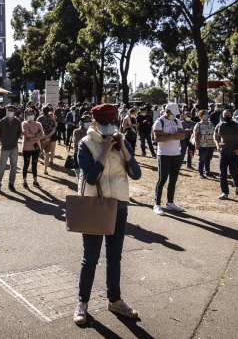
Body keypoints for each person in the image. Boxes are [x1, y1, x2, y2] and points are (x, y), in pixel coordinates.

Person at [73, 103, 141, 326]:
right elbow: (91, 178)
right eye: (103, 123)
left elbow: (137, 174)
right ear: (94, 123)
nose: (108, 126)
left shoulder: (123, 142)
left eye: (112, 122)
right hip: (95, 205)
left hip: (119, 205)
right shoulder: (85, 144)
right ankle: (82, 303)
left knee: (114, 257)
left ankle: (114, 299)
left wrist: (122, 148)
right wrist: (102, 154)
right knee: (90, 257)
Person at [152, 102, 186, 216]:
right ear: (167, 111)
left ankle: (170, 203)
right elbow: (158, 139)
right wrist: (173, 136)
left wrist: (166, 136)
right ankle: (157, 204)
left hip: (176, 154)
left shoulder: (177, 121)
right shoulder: (159, 122)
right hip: (164, 154)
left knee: (173, 180)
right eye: (173, 113)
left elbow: (182, 136)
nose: (175, 115)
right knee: (162, 180)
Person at [214, 109, 238, 200]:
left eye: (228, 115)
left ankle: (237, 185)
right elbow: (215, 136)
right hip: (223, 153)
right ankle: (224, 192)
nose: (226, 117)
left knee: (233, 171)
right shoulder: (220, 125)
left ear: (232, 115)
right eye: (225, 115)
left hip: (234, 153)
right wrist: (217, 146)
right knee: (222, 174)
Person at [0, 105, 22, 192]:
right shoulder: (2, 121)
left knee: (13, 167)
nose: (9, 111)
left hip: (14, 147)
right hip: (4, 147)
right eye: (8, 110)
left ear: (14, 112)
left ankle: (11, 183)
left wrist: (14, 140)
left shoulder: (18, 122)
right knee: (1, 167)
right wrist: (2, 141)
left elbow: (19, 133)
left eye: (11, 110)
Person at [21, 109, 44, 188]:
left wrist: (32, 138)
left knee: (34, 164)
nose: (31, 115)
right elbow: (25, 133)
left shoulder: (38, 124)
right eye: (29, 114)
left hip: (36, 147)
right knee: (26, 164)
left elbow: (42, 135)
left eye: (32, 113)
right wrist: (36, 136)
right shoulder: (24, 123)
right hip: (26, 148)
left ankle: (35, 181)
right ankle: (24, 181)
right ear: (26, 115)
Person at [193, 110, 216, 179]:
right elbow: (195, 135)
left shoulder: (211, 123)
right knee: (202, 159)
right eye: (204, 114)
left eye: (207, 114)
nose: (207, 115)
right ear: (200, 116)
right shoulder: (198, 125)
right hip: (203, 145)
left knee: (208, 159)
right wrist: (196, 144)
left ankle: (207, 172)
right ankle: (200, 173)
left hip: (211, 144)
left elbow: (214, 133)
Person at [37, 106, 58, 174]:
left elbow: (37, 129)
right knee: (47, 154)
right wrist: (48, 136)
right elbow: (54, 129)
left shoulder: (39, 118)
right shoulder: (51, 119)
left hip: (40, 138)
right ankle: (45, 170)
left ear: (42, 110)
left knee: (36, 153)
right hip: (48, 139)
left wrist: (42, 136)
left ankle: (32, 168)